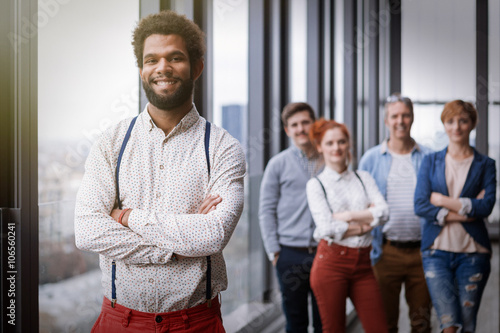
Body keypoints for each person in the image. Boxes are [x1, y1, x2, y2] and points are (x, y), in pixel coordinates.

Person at [74, 10, 245, 332]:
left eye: (175, 58)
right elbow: (88, 230)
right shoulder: (110, 143)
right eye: (151, 59)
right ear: (141, 70)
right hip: (118, 320)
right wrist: (177, 249)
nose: (162, 68)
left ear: (197, 67)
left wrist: (127, 218)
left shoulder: (223, 148)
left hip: (196, 322)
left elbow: (213, 235)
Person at [414, 100, 496, 333]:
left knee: (467, 324)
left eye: (463, 120)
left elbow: (487, 206)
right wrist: (466, 211)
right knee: (448, 324)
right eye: (450, 121)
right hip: (436, 253)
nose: (456, 127)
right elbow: (420, 205)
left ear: (472, 124)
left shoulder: (486, 164)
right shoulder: (431, 161)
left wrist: (441, 201)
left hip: (473, 253)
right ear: (444, 124)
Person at [358, 93, 432, 333]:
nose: (400, 121)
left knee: (421, 323)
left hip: (423, 253)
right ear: (386, 120)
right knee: (384, 323)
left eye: (405, 115)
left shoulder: (429, 157)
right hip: (384, 253)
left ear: (412, 118)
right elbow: (362, 203)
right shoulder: (370, 159)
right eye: (395, 116)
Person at [306, 118, 389, 333]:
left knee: (379, 328)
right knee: (334, 329)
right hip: (331, 264)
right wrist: (364, 224)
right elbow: (326, 229)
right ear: (319, 147)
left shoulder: (363, 177)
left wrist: (348, 215)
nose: (337, 148)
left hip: (363, 264)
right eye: (330, 143)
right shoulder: (316, 185)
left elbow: (384, 212)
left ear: (348, 144)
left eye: (341, 142)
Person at [259, 102, 323, 333]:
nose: (300, 128)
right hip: (289, 254)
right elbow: (266, 209)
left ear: (314, 124)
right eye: (294, 125)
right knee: (295, 323)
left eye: (305, 122)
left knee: (324, 321)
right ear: (287, 130)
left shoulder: (329, 159)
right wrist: (274, 251)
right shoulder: (277, 164)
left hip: (324, 252)